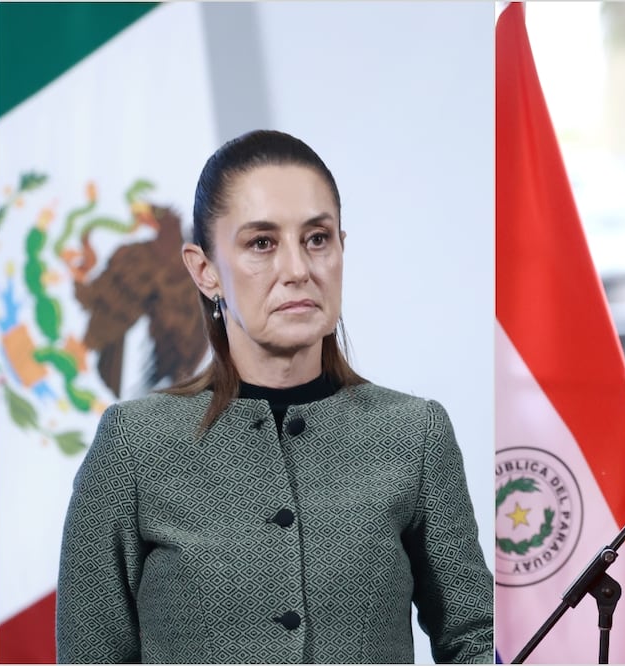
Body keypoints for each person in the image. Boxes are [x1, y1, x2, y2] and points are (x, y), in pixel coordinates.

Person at [55, 129, 494, 663]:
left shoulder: (413, 434)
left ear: (341, 249)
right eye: (261, 243)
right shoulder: (135, 445)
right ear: (205, 270)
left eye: (317, 239)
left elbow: (475, 639)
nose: (298, 270)